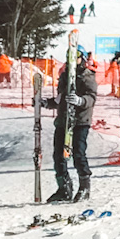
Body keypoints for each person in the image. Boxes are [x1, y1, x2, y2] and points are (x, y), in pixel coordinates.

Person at [50, 52, 99, 202]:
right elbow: (61, 99)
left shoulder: (87, 75)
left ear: (82, 59)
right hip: (64, 120)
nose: (71, 60)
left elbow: (91, 97)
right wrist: (48, 103)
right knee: (58, 155)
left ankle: (84, 187)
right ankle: (64, 187)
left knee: (78, 153)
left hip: (80, 120)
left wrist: (80, 101)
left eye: (76, 57)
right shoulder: (65, 76)